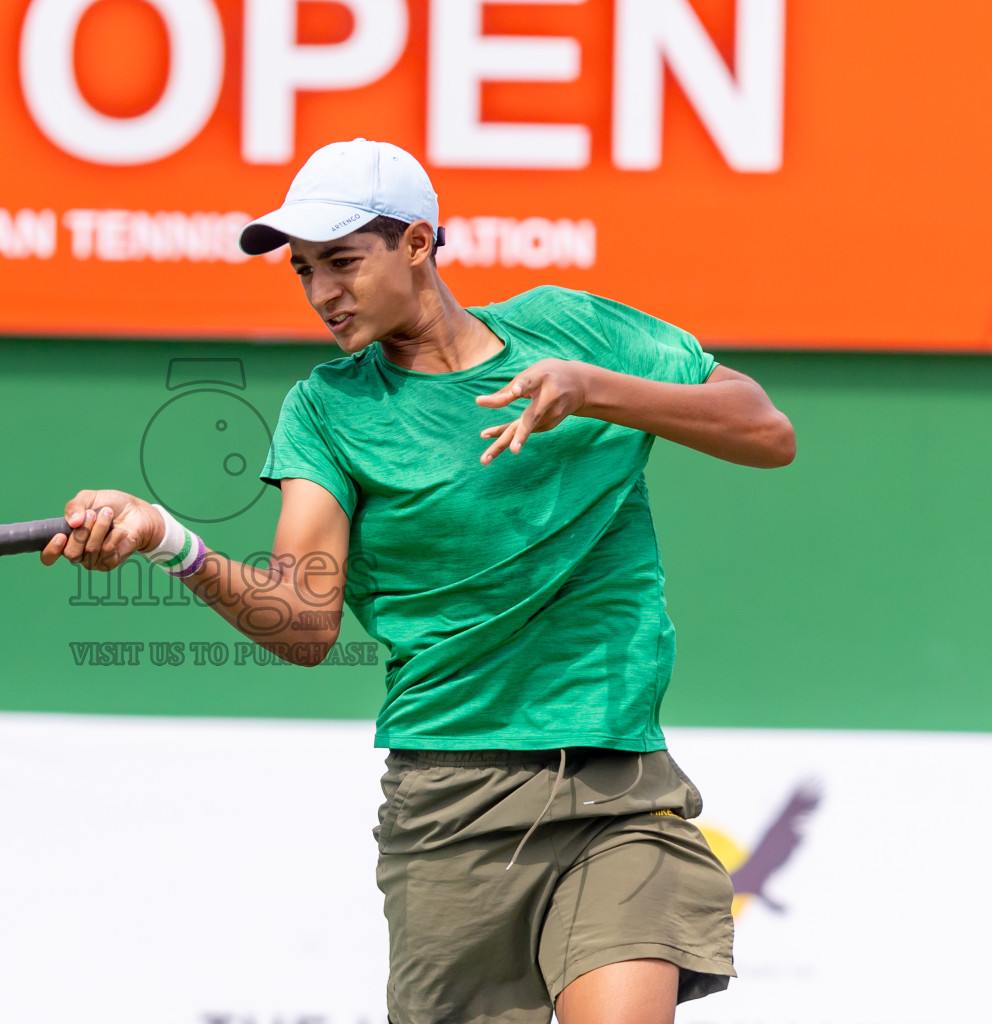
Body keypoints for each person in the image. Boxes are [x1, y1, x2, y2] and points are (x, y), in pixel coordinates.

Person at [40, 138, 795, 1024]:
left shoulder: (571, 329)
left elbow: (764, 431)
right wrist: (172, 543)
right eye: (305, 271)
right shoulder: (327, 409)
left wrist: (596, 390)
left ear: (418, 242)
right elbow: (303, 622)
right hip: (449, 809)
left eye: (343, 262)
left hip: (620, 791)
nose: (323, 293)